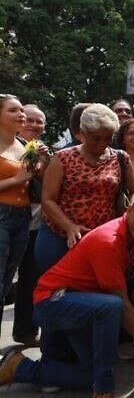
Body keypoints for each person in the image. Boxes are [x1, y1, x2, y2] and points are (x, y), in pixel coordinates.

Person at [0, 192, 134, 398]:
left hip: (84, 306)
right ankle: (103, 391)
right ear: (129, 211)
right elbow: (121, 302)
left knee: (91, 375)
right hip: (52, 302)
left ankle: (19, 367)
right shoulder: (108, 241)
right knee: (113, 307)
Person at [38, 103, 134, 275]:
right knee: (55, 292)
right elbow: (47, 199)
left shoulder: (121, 158)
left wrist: (133, 205)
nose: (102, 144)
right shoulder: (63, 158)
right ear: (82, 133)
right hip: (60, 238)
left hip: (102, 238)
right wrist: (70, 227)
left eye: (107, 138)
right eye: (95, 138)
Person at [0, 95, 39, 336]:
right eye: (14, 110)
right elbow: (20, 179)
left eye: (22, 110)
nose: (21, 114)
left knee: (6, 285)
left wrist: (40, 162)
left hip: (23, 217)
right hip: (1, 216)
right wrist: (16, 179)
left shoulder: (25, 145)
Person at [13, 104, 47, 346]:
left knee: (29, 280)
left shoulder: (43, 151)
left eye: (39, 122)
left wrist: (43, 160)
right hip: (10, 220)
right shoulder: (9, 147)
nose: (34, 125)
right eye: (30, 120)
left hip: (36, 225)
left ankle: (25, 331)